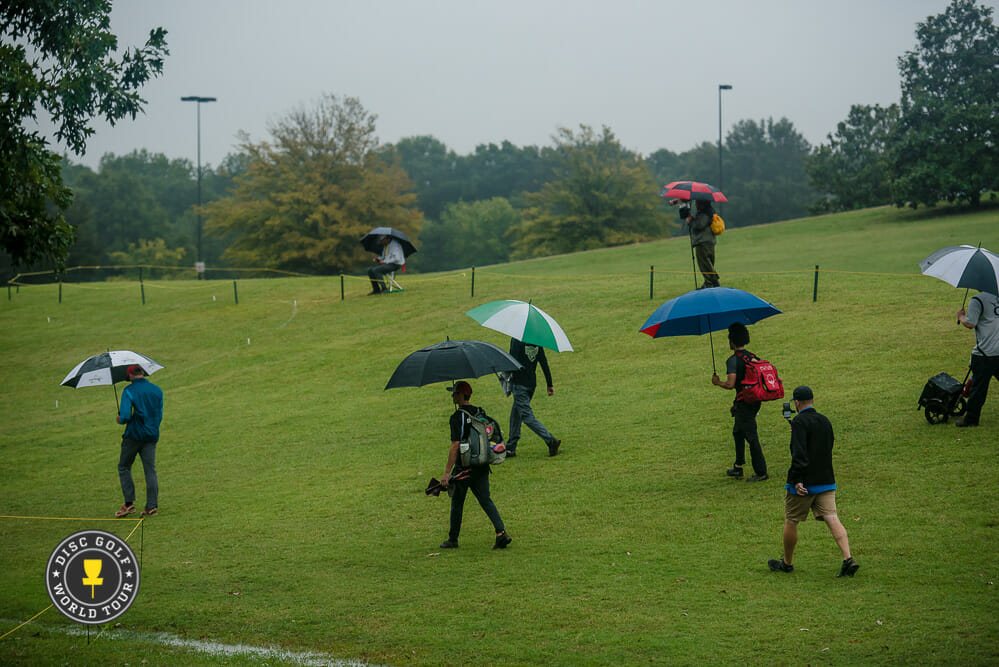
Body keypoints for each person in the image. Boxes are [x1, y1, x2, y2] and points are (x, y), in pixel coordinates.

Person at [768, 386, 859, 578]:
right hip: (826, 479)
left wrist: (797, 480)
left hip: (805, 483)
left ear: (797, 403)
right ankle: (848, 558)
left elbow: (799, 453)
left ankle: (787, 563)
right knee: (832, 518)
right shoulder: (824, 420)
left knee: (791, 520)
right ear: (813, 401)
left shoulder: (799, 422)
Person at [439, 381, 512, 550]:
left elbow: (455, 444)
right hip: (482, 465)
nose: (452, 396)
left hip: (463, 468)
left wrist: (446, 473)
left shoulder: (457, 417)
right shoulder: (480, 412)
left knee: (457, 502)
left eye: (455, 393)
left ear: (462, 396)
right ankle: (501, 533)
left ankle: (453, 539)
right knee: (486, 500)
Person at [711, 322, 768, 482]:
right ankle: (738, 466)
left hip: (744, 403)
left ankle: (761, 472)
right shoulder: (752, 356)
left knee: (751, 436)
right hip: (753, 399)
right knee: (738, 432)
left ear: (732, 341)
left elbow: (730, 384)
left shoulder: (733, 361)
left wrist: (718, 382)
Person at [115, 364, 164, 518]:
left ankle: (129, 504)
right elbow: (159, 413)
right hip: (151, 435)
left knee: (124, 467)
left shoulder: (129, 390)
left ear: (130, 375)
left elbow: (125, 416)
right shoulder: (157, 390)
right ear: (143, 372)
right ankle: (152, 506)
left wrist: (120, 419)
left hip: (134, 436)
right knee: (150, 470)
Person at [507, 337, 561, 457]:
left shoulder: (516, 340)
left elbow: (512, 361)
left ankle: (550, 440)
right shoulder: (536, 340)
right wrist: (549, 384)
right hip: (531, 384)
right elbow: (543, 361)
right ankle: (511, 447)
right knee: (516, 414)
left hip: (519, 384)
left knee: (526, 416)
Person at [955, 291, 999, 427]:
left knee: (978, 389)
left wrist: (961, 316)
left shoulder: (977, 300)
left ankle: (971, 420)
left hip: (984, 353)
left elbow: (970, 323)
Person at [686, 199, 720, 289]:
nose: (696, 203)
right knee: (709, 263)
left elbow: (699, 225)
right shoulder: (709, 211)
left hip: (703, 242)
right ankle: (710, 282)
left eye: (697, 201)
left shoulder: (705, 213)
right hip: (709, 241)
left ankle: (711, 283)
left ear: (702, 202)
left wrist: (690, 221)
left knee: (704, 264)